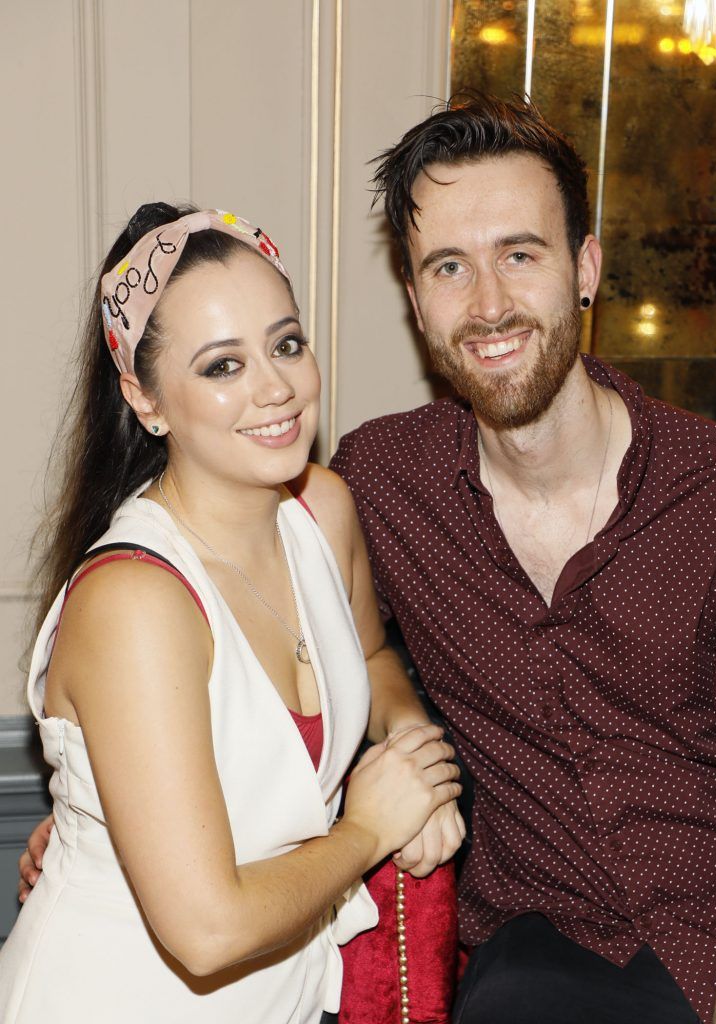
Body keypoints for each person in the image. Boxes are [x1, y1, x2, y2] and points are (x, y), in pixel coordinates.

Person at [328, 96, 716, 1022]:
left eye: (520, 254)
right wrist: (111, 810)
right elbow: (233, 613)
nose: (488, 304)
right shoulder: (380, 481)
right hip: (542, 953)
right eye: (450, 266)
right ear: (414, 300)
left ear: (586, 269)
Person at [2, 203, 463, 1023]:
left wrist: (413, 758)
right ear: (146, 400)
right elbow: (207, 930)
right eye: (222, 366)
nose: (276, 386)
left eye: (286, 343)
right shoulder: (136, 601)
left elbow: (373, 657)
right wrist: (369, 831)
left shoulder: (323, 509)